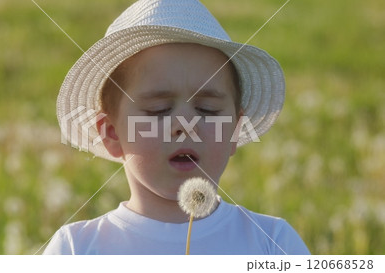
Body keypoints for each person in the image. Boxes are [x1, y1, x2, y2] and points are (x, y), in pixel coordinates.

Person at [44, 0, 310, 254]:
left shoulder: (273, 242)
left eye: (207, 110)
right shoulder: (76, 249)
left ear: (234, 131)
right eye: (158, 110)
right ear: (112, 133)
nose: (186, 125)